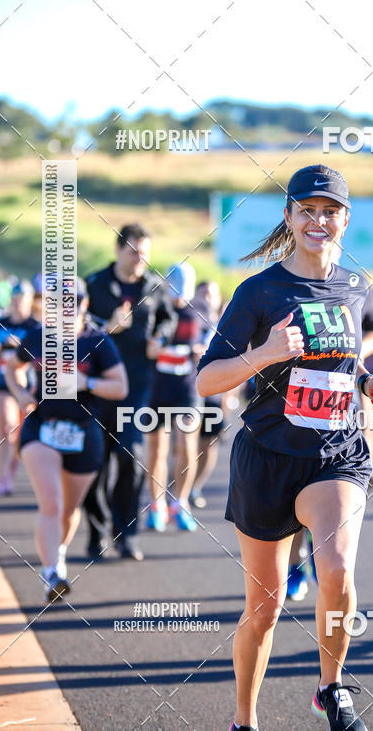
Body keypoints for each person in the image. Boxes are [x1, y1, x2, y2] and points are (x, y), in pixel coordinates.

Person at [196, 165, 373, 731]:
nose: (318, 220)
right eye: (307, 209)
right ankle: (244, 720)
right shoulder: (259, 291)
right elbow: (209, 380)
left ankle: (331, 688)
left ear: (345, 221)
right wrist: (266, 353)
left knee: (336, 568)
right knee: (266, 608)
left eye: (329, 211)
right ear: (288, 216)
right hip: (267, 458)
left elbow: (342, 362)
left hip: (336, 454)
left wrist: (365, 383)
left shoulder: (356, 288)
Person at [4, 278, 127, 603]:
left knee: (69, 510)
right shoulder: (38, 336)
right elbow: (11, 368)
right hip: (41, 429)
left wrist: (86, 380)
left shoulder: (97, 341)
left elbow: (120, 388)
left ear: (84, 305)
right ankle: (51, 575)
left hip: (84, 433)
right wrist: (20, 395)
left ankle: (56, 553)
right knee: (52, 503)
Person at [84, 224, 174, 560]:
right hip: (97, 389)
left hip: (137, 389)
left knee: (131, 459)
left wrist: (160, 339)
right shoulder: (94, 284)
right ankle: (96, 532)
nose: (140, 261)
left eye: (145, 255)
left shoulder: (154, 286)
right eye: (134, 253)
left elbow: (167, 319)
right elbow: (74, 325)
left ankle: (126, 535)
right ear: (118, 250)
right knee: (94, 464)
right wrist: (106, 327)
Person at [145, 263, 205, 532]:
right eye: (175, 291)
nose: (179, 297)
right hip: (157, 386)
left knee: (187, 447)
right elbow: (145, 347)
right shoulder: (156, 309)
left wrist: (203, 350)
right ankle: (156, 504)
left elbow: (213, 343)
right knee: (158, 450)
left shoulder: (200, 311)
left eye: (184, 292)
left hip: (188, 387)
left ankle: (180, 503)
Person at [0, 280, 38, 495]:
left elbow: (40, 357)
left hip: (25, 384)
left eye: (22, 298)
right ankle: (4, 478)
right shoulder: (0, 322)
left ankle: (11, 469)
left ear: (29, 301)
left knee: (18, 434)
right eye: (15, 298)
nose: (18, 303)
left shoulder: (34, 326)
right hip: (1, 383)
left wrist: (21, 347)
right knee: (6, 428)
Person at [190, 280, 226, 509]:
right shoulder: (188, 319)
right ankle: (177, 486)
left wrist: (226, 403)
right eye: (202, 292)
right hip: (188, 390)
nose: (206, 297)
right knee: (185, 443)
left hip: (214, 394)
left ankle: (195, 486)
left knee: (208, 444)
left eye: (211, 293)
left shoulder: (225, 326)